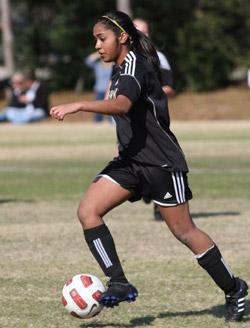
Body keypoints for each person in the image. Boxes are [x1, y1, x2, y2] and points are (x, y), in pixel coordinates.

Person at [50, 10, 248, 322]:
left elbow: (122, 106)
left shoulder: (134, 67)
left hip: (161, 163)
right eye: (95, 40)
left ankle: (234, 288)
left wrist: (79, 104)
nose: (98, 45)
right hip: (130, 161)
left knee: (184, 231)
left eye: (102, 39)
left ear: (122, 37)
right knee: (88, 211)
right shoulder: (118, 69)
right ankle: (119, 281)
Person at [133, 18, 174, 220]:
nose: (141, 34)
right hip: (128, 121)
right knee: (130, 159)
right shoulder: (123, 58)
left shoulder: (158, 57)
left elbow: (169, 87)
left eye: (144, 31)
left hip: (152, 120)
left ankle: (160, 204)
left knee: (158, 162)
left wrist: (148, 92)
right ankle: (147, 189)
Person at [85, 51, 113, 123]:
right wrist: (99, 53)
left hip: (110, 90)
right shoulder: (97, 66)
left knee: (111, 110)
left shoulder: (113, 65)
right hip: (99, 91)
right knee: (98, 110)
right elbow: (87, 61)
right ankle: (97, 124)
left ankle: (111, 124)